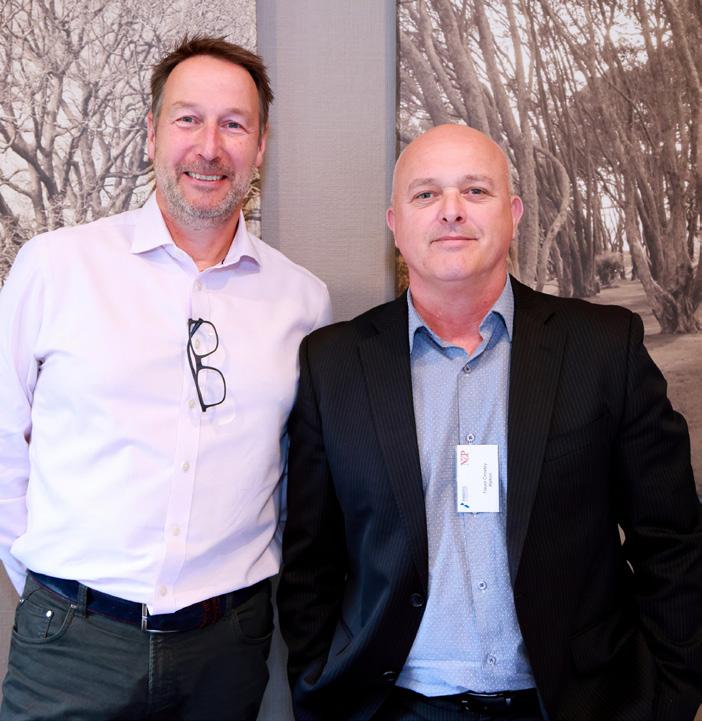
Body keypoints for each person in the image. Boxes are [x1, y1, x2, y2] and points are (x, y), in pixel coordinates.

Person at [277, 124, 702, 721]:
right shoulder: (334, 364)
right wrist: (321, 687)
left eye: (475, 191)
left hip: (574, 704)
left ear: (514, 214)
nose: (451, 210)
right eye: (426, 194)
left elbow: (673, 540)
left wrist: (670, 696)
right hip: (396, 708)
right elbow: (311, 563)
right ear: (395, 223)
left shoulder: (605, 348)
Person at [0, 36, 331, 721]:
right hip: (71, 645)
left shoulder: (303, 302)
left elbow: (301, 476)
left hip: (226, 649)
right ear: (152, 133)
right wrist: (51, 587)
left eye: (233, 124)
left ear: (260, 147)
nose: (209, 147)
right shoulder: (56, 267)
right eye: (188, 119)